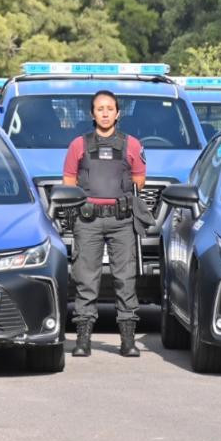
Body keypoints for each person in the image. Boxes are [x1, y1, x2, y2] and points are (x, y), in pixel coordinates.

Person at [63, 90, 147, 357]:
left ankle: (127, 341)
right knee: (86, 278)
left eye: (110, 108)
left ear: (118, 113)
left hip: (121, 220)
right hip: (87, 219)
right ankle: (83, 340)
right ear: (92, 113)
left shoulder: (132, 144)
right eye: (100, 108)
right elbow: (68, 182)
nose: (105, 113)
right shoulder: (78, 144)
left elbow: (139, 180)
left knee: (125, 279)